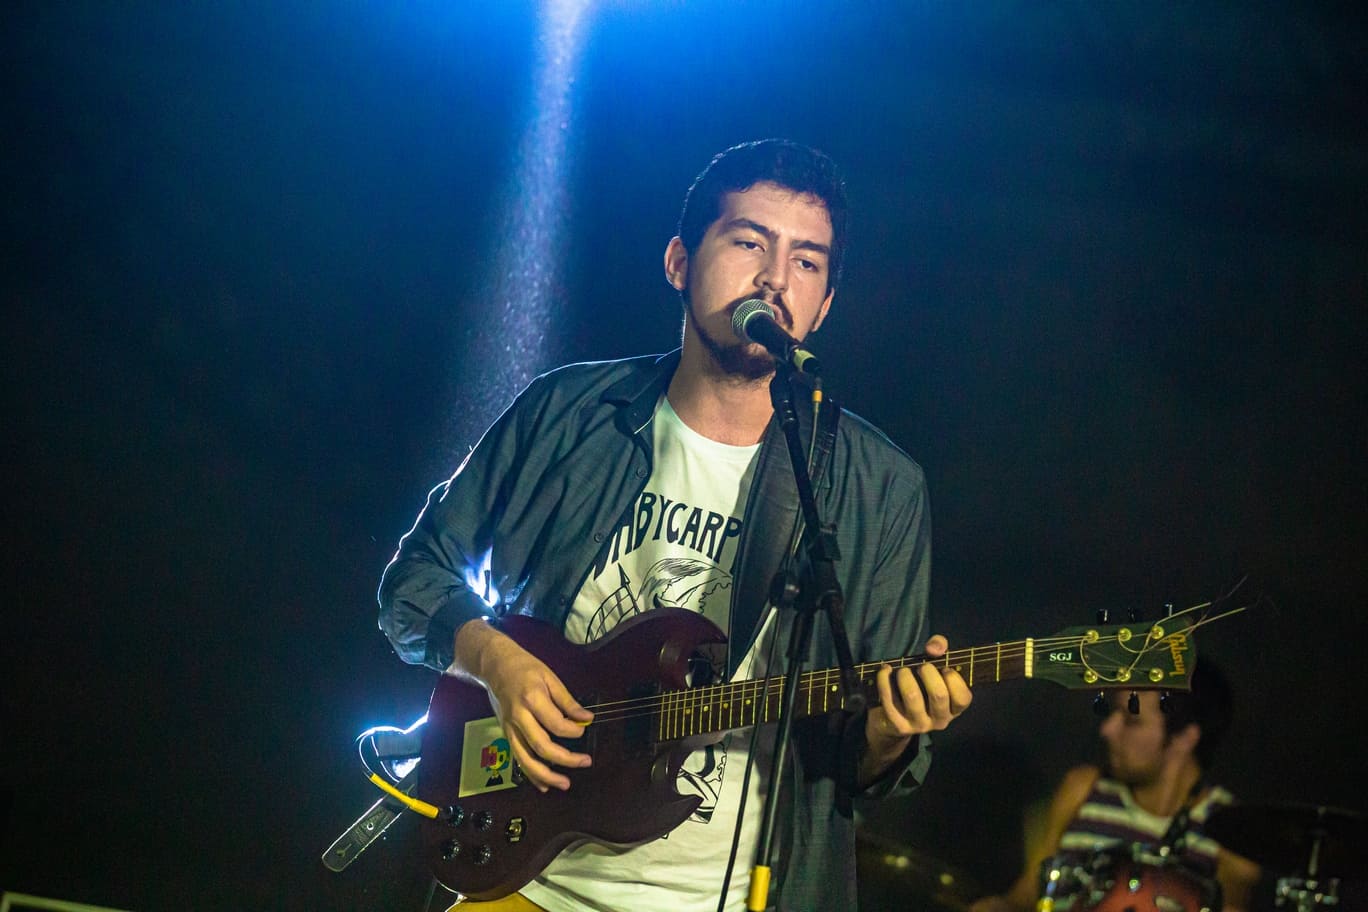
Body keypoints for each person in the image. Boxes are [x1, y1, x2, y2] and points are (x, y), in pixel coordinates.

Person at [377, 139, 973, 912]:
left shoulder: (879, 487)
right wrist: (494, 660)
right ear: (679, 262)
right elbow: (413, 583)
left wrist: (894, 732)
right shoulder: (567, 414)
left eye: (806, 262)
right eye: (749, 243)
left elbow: (860, 767)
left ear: (824, 306)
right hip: (527, 880)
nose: (775, 278)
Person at [968, 662, 1261, 912]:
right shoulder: (1083, 787)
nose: (1107, 729)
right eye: (1113, 714)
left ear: (1185, 738)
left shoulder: (1232, 833)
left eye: (1131, 720)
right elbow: (1031, 889)